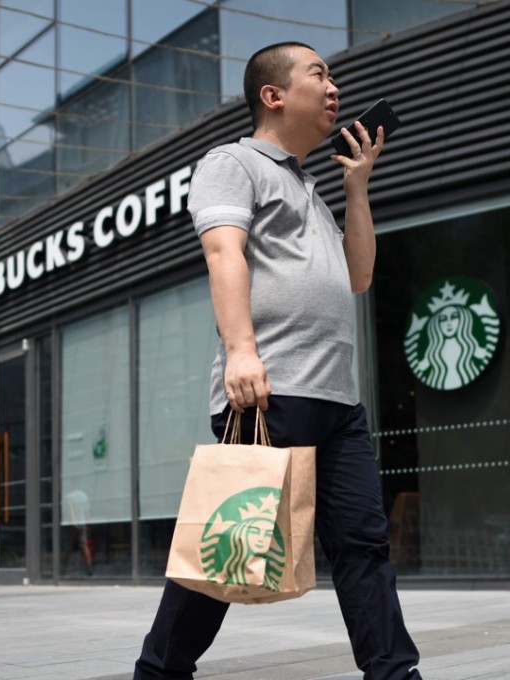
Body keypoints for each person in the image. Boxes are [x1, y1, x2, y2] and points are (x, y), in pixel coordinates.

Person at [133, 42, 422, 679]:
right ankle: (158, 673)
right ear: (274, 95)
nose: (333, 87)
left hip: (339, 403)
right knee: (225, 557)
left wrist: (356, 186)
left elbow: (359, 275)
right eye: (318, 74)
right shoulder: (233, 163)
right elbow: (222, 253)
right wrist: (240, 351)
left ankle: (396, 675)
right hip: (268, 391)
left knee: (365, 549)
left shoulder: (310, 188)